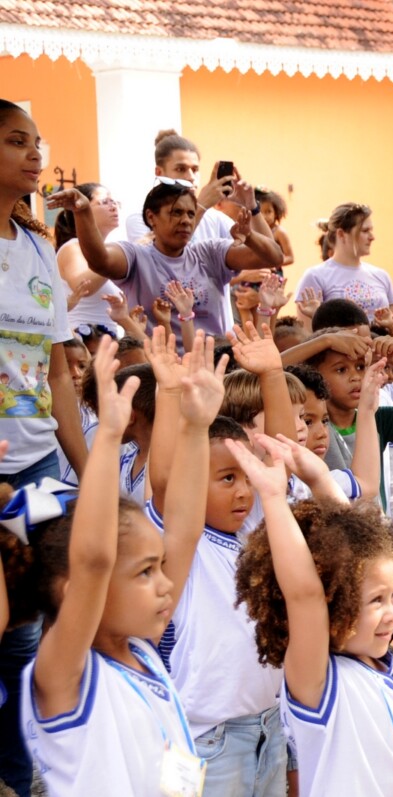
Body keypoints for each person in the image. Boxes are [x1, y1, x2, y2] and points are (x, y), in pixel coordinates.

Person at [15, 332, 216, 795]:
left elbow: (184, 531)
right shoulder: (65, 674)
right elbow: (93, 560)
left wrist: (196, 426)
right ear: (77, 591)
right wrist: (107, 438)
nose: (168, 584)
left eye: (159, 568)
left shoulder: (142, 646)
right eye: (145, 572)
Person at [229, 435, 393, 796]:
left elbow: (352, 547)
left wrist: (319, 479)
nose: (392, 613)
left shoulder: (379, 662)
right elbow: (305, 595)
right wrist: (273, 498)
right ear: (334, 604)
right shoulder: (318, 681)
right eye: (375, 600)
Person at [0, 99, 88, 797]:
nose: (34, 155)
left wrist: (87, 470)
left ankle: (28, 773)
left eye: (36, 142)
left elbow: (57, 370)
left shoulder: (34, 247)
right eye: (14, 141)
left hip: (36, 461)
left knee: (36, 622)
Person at [56, 181, 283, 340]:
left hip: (218, 368)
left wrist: (251, 225)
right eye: (176, 213)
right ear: (151, 217)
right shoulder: (136, 256)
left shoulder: (211, 252)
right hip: (164, 374)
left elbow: (272, 257)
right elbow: (100, 260)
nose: (185, 220)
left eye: (191, 214)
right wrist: (83, 214)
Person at [295, 203, 393, 315]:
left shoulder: (382, 276)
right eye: (365, 231)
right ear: (341, 234)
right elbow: (305, 331)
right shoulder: (315, 277)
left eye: (371, 230)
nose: (372, 237)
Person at [54, 182, 123, 341]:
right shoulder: (72, 247)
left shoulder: (109, 252)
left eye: (114, 202)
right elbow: (84, 285)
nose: (113, 207)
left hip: (105, 345)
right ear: (81, 208)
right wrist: (111, 261)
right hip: (81, 344)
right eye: (105, 202)